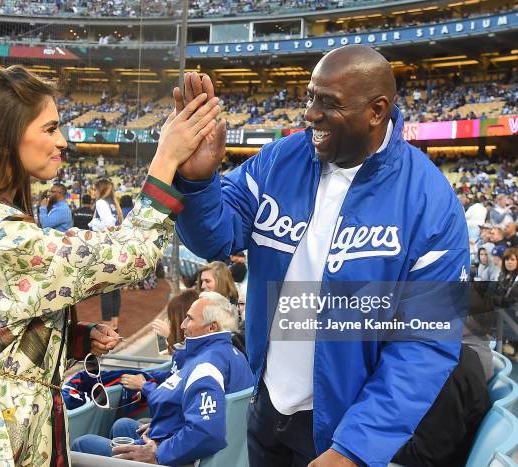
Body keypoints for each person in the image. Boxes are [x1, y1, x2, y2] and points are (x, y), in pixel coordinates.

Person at [172, 45, 469, 467]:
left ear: (377, 110)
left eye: (329, 103)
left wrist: (356, 446)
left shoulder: (431, 203)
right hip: (268, 406)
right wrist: (198, 181)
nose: (310, 113)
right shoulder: (280, 160)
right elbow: (214, 239)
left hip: (344, 431)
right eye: (310, 96)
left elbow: (425, 344)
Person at [0, 65, 221, 466]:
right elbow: (131, 256)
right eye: (49, 129)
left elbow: (2, 331)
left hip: (4, 416)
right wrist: (165, 158)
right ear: (4, 138)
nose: (62, 141)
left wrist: (75, 338)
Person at [71, 291, 253, 465]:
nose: (182, 325)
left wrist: (158, 453)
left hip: (180, 459)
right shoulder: (233, 354)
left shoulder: (206, 366)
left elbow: (207, 432)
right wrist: (169, 425)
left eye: (189, 318)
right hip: (205, 451)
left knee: (82, 444)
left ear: (212, 326)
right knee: (123, 426)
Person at [89, 178, 123, 331]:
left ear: (100, 189)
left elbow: (109, 224)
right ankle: (114, 326)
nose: (94, 192)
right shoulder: (113, 203)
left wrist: (94, 224)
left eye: (95, 189)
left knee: (106, 290)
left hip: (105, 249)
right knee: (114, 289)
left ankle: (108, 328)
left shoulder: (101, 203)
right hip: (115, 248)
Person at [151, 288, 199, 354]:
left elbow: (184, 358)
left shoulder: (197, 343)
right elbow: (164, 353)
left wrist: (169, 336)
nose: (169, 322)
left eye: (171, 319)